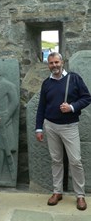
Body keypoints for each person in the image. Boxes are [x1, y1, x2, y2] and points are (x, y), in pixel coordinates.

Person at [36, 52, 91, 210]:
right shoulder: (46, 83)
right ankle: (57, 191)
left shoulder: (74, 79)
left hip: (69, 126)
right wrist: (39, 127)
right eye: (51, 63)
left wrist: (72, 107)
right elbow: (41, 107)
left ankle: (80, 195)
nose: (54, 65)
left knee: (75, 161)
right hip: (51, 126)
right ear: (48, 65)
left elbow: (87, 97)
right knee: (56, 160)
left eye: (56, 62)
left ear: (62, 62)